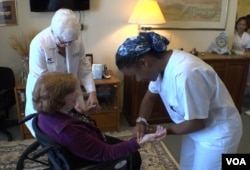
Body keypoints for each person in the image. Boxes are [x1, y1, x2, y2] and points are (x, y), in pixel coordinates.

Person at [115, 32, 243, 170]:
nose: (138, 80)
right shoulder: (159, 66)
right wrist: (141, 121)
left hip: (217, 133)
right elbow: (150, 96)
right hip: (193, 128)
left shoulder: (186, 74)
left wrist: (163, 130)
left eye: (135, 75)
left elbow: (197, 122)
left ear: (144, 62)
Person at [32, 72, 166, 169]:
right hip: (87, 159)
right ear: (60, 99)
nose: (78, 94)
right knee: (134, 155)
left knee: (123, 146)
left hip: (78, 147)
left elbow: (68, 117)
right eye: (72, 92)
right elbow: (106, 153)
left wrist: (82, 112)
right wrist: (143, 140)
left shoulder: (45, 114)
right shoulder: (68, 132)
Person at [25, 8, 99, 136]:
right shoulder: (38, 44)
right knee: (54, 135)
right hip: (47, 99)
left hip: (71, 93)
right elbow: (44, 85)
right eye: (63, 42)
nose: (68, 45)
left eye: (71, 42)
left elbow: (83, 66)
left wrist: (92, 93)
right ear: (53, 32)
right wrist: (69, 103)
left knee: (76, 132)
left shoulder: (76, 39)